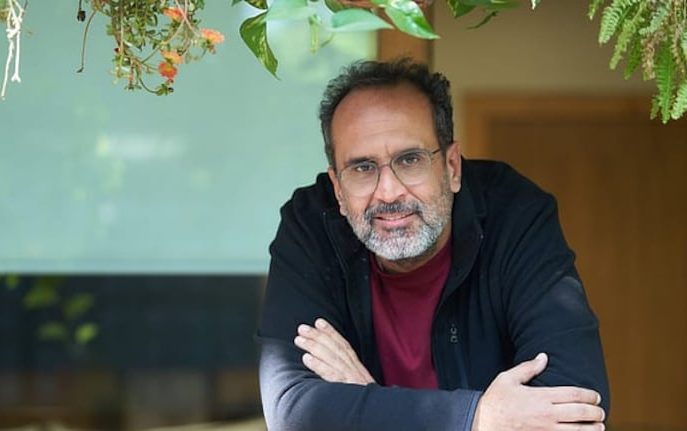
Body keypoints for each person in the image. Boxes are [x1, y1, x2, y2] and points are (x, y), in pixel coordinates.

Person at [257, 59, 610, 431]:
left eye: (410, 160)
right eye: (363, 168)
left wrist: (366, 398)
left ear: (452, 167)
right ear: (338, 189)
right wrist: (478, 417)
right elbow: (293, 411)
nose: (388, 192)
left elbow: (577, 413)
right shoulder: (311, 226)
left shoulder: (514, 214)